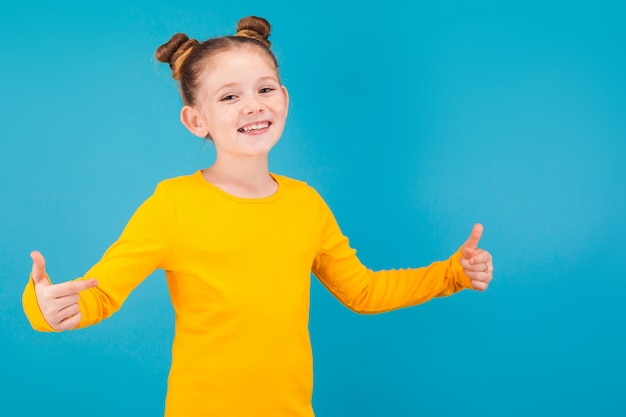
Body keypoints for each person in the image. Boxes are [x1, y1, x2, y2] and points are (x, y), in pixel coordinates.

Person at [22, 16, 494, 417]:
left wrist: (452, 273)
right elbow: (100, 294)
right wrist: (44, 309)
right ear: (196, 121)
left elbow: (364, 292)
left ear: (284, 100)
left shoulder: (305, 204)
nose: (253, 104)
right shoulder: (172, 205)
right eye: (229, 97)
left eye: (264, 88)